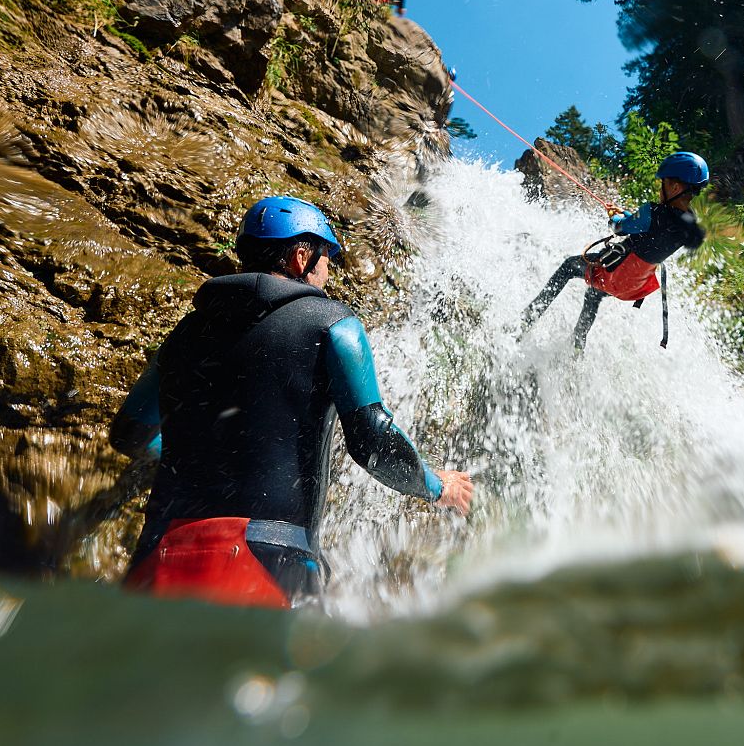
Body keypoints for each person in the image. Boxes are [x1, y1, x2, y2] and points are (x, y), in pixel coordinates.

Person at [109, 196, 473, 610]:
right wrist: (436, 486)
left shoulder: (185, 334)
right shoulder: (332, 323)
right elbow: (372, 439)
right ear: (302, 257)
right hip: (266, 558)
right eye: (326, 260)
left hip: (158, 554)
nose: (327, 272)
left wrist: (181, 455)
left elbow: (129, 433)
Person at [521, 152, 709, 350]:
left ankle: (528, 318)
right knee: (594, 293)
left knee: (568, 266)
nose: (660, 189)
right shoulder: (687, 225)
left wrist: (615, 217)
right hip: (635, 285)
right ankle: (577, 344)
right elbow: (645, 229)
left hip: (616, 275)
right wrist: (625, 215)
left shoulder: (653, 212)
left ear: (675, 187)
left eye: (663, 183)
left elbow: (619, 228)